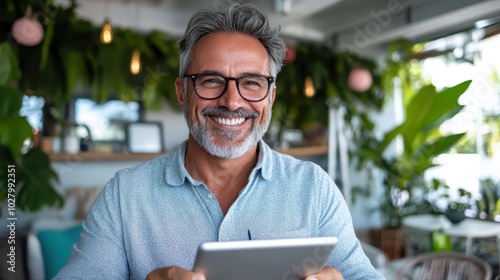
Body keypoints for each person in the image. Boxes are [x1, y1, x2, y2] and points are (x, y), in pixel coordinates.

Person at [55, 3, 384, 280]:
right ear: (182, 92)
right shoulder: (125, 194)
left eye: (251, 82)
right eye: (212, 80)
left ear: (270, 96)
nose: (231, 101)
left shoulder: (314, 187)